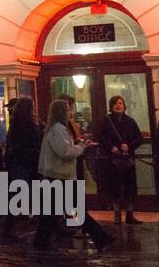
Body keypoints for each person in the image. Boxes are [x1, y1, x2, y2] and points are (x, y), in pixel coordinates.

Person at [34, 98, 112, 252]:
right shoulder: (58, 129)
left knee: (50, 212)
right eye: (69, 109)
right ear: (62, 112)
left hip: (56, 175)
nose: (71, 112)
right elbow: (65, 152)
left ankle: (41, 242)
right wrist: (82, 146)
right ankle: (101, 238)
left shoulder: (57, 128)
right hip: (59, 176)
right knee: (73, 209)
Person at [98, 96, 143, 224]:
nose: (118, 106)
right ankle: (117, 214)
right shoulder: (106, 121)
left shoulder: (130, 121)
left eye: (120, 103)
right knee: (115, 186)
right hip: (112, 160)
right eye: (115, 103)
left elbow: (138, 138)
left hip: (128, 159)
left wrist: (129, 146)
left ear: (124, 105)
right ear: (111, 106)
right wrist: (111, 147)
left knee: (129, 186)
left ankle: (130, 213)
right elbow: (101, 137)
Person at [3, 97, 41, 241]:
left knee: (20, 194)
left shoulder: (17, 122)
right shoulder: (24, 123)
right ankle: (9, 228)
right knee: (19, 194)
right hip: (25, 162)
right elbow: (24, 143)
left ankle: (9, 227)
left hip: (23, 162)